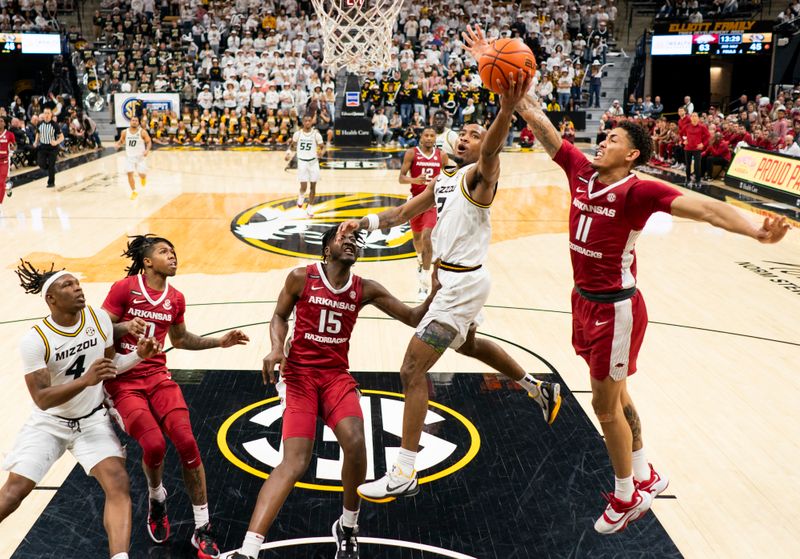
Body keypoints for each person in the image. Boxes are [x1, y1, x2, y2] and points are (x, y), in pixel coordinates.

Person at [504, 23, 791, 532]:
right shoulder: (582, 172)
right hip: (584, 300)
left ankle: (625, 496)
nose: (600, 141)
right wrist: (518, 93)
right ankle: (645, 472)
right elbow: (546, 128)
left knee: (605, 409)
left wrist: (754, 231)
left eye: (611, 139)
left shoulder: (640, 191)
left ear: (631, 154)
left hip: (615, 308)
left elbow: (704, 208)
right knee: (619, 397)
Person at [339, 53, 562, 503]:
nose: (467, 138)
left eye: (475, 135)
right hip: (456, 282)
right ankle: (537, 388)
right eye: (463, 132)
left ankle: (404, 470)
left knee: (411, 369)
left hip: (460, 287)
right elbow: (400, 213)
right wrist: (361, 223)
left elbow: (496, 147)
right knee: (471, 344)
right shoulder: (443, 182)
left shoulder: (482, 178)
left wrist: (503, 111)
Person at [228, 227, 440, 559]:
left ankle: (348, 526)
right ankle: (249, 549)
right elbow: (279, 316)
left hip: (335, 377)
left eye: (356, 241)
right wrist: (274, 348)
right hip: (299, 377)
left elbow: (413, 317)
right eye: (344, 239)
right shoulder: (301, 277)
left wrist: (435, 293)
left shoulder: (365, 288)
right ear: (326, 249)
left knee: (356, 442)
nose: (352, 243)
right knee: (294, 462)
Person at [101, 234, 250, 558]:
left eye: (174, 251)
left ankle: (202, 528)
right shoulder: (124, 289)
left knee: (187, 442)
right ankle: (157, 499)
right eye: (164, 251)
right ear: (147, 261)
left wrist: (219, 342)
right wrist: (126, 327)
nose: (173, 256)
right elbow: (98, 329)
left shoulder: (176, 298)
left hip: (157, 377)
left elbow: (181, 339)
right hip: (123, 382)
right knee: (154, 444)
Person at [1, 261, 162, 559]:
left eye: (78, 283)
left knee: (118, 483)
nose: (78, 288)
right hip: (50, 422)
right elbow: (42, 399)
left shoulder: (98, 319)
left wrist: (139, 356)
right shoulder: (36, 340)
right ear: (51, 299)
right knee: (14, 493)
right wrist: (87, 379)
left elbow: (109, 370)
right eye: (68, 285)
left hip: (91, 421)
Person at [398, 127, 449, 300]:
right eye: (426, 135)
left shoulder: (442, 155)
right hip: (415, 200)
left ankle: (424, 283)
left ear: (435, 138)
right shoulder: (411, 153)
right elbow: (401, 178)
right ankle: (420, 259)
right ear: (421, 137)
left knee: (428, 237)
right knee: (417, 238)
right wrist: (414, 180)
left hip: (432, 202)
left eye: (432, 135)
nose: (429, 138)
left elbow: (447, 177)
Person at [286, 114, 325, 216]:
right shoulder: (298, 134)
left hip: (313, 162)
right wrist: (288, 153)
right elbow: (292, 145)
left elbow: (323, 147)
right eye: (306, 121)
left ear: (312, 122)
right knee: (304, 186)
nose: (307, 122)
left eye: (309, 120)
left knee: (313, 186)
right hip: (302, 162)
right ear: (303, 122)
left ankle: (310, 207)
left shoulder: (316, 134)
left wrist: (322, 152)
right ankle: (301, 194)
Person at [115, 115, 151, 200]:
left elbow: (149, 142)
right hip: (129, 157)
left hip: (140, 158)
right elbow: (121, 140)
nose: (134, 122)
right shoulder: (124, 132)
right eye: (133, 120)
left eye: (136, 120)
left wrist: (147, 150)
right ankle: (134, 191)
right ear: (130, 122)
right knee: (129, 174)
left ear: (138, 122)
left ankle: (143, 177)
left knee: (141, 174)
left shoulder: (142, 132)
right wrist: (118, 144)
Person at [34, 106, 64, 189]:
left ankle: (51, 182)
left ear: (51, 114)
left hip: (52, 148)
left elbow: (62, 137)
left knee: (51, 165)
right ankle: (50, 169)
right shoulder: (40, 123)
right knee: (41, 164)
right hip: (42, 147)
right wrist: (36, 141)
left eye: (48, 113)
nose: (46, 115)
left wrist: (56, 142)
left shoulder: (55, 125)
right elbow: (38, 133)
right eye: (45, 113)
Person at [683, 112, 710, 187]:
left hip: (697, 149)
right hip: (687, 148)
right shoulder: (687, 126)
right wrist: (684, 140)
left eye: (695, 116)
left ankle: (698, 180)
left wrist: (703, 144)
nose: (694, 117)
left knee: (697, 166)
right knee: (688, 165)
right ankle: (688, 179)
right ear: (690, 118)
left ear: (698, 118)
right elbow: (681, 133)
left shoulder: (702, 127)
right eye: (692, 116)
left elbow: (708, 136)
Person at [0, 116, 15, 203]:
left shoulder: (9, 134)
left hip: (5, 161)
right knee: (3, 183)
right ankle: (8, 186)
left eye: (1, 121)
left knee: (1, 181)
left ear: (5, 123)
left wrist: (13, 148)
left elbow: (15, 145)